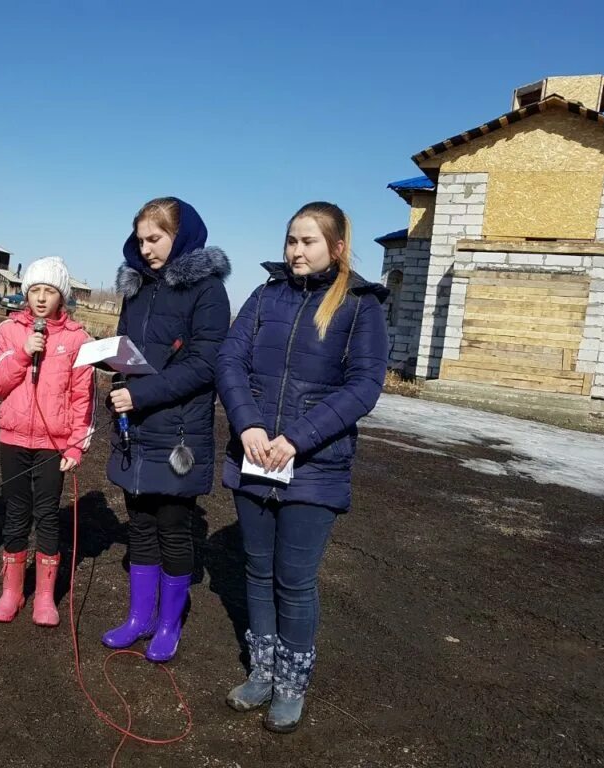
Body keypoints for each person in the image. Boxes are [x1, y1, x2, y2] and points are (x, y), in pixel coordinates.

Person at [216, 201, 389, 732]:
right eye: (291, 239)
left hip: (313, 465)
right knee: (256, 570)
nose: (295, 250)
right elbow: (230, 361)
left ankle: (292, 683)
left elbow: (365, 386)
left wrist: (296, 438)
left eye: (308, 241)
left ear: (336, 247)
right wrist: (247, 425)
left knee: (294, 580)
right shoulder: (265, 296)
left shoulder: (360, 307)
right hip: (254, 457)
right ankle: (263, 672)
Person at [102, 197, 231, 662]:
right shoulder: (136, 288)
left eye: (154, 238)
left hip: (178, 429)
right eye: (140, 240)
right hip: (136, 425)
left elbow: (204, 364)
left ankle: (169, 623)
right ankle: (139, 617)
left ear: (182, 235)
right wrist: (117, 377)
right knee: (139, 523)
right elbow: (124, 345)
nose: (146, 248)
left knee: (173, 529)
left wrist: (142, 394)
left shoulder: (208, 291)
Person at [0, 256, 97, 627]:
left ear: (62, 296)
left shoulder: (78, 339)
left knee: (47, 514)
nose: (42, 298)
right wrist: (22, 353)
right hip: (14, 438)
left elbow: (84, 397)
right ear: (25, 293)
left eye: (50, 291)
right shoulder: (9, 331)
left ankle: (45, 597)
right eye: (35, 290)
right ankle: (12, 591)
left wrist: (77, 444)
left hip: (53, 443)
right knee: (16, 512)